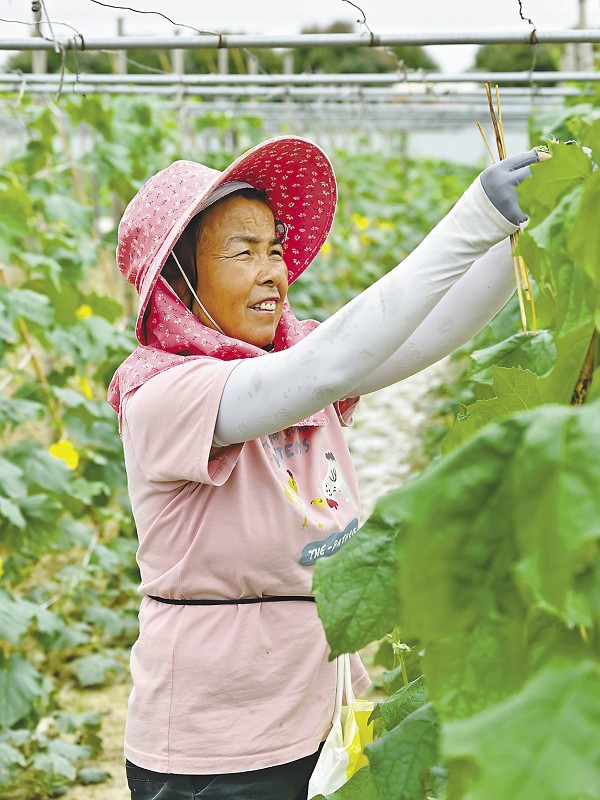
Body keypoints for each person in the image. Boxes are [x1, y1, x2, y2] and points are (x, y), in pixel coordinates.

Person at [108, 136, 546, 799]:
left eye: (275, 249)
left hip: (327, 712)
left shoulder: (287, 363)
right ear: (177, 279)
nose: (272, 272)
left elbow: (430, 332)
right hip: (217, 746)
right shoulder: (165, 394)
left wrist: (518, 233)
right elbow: (324, 370)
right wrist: (472, 220)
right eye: (243, 252)